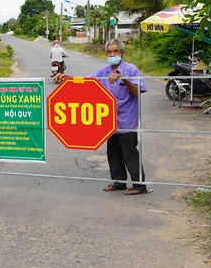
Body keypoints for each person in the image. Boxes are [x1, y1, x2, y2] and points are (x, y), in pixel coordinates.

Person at [54, 38, 148, 195]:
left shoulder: (131, 70)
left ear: (122, 53)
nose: (112, 54)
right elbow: (85, 81)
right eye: (109, 52)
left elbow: (138, 92)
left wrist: (123, 78)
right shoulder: (103, 71)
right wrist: (66, 77)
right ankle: (119, 182)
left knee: (129, 153)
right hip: (108, 121)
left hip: (126, 121)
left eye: (115, 51)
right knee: (113, 153)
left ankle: (139, 186)